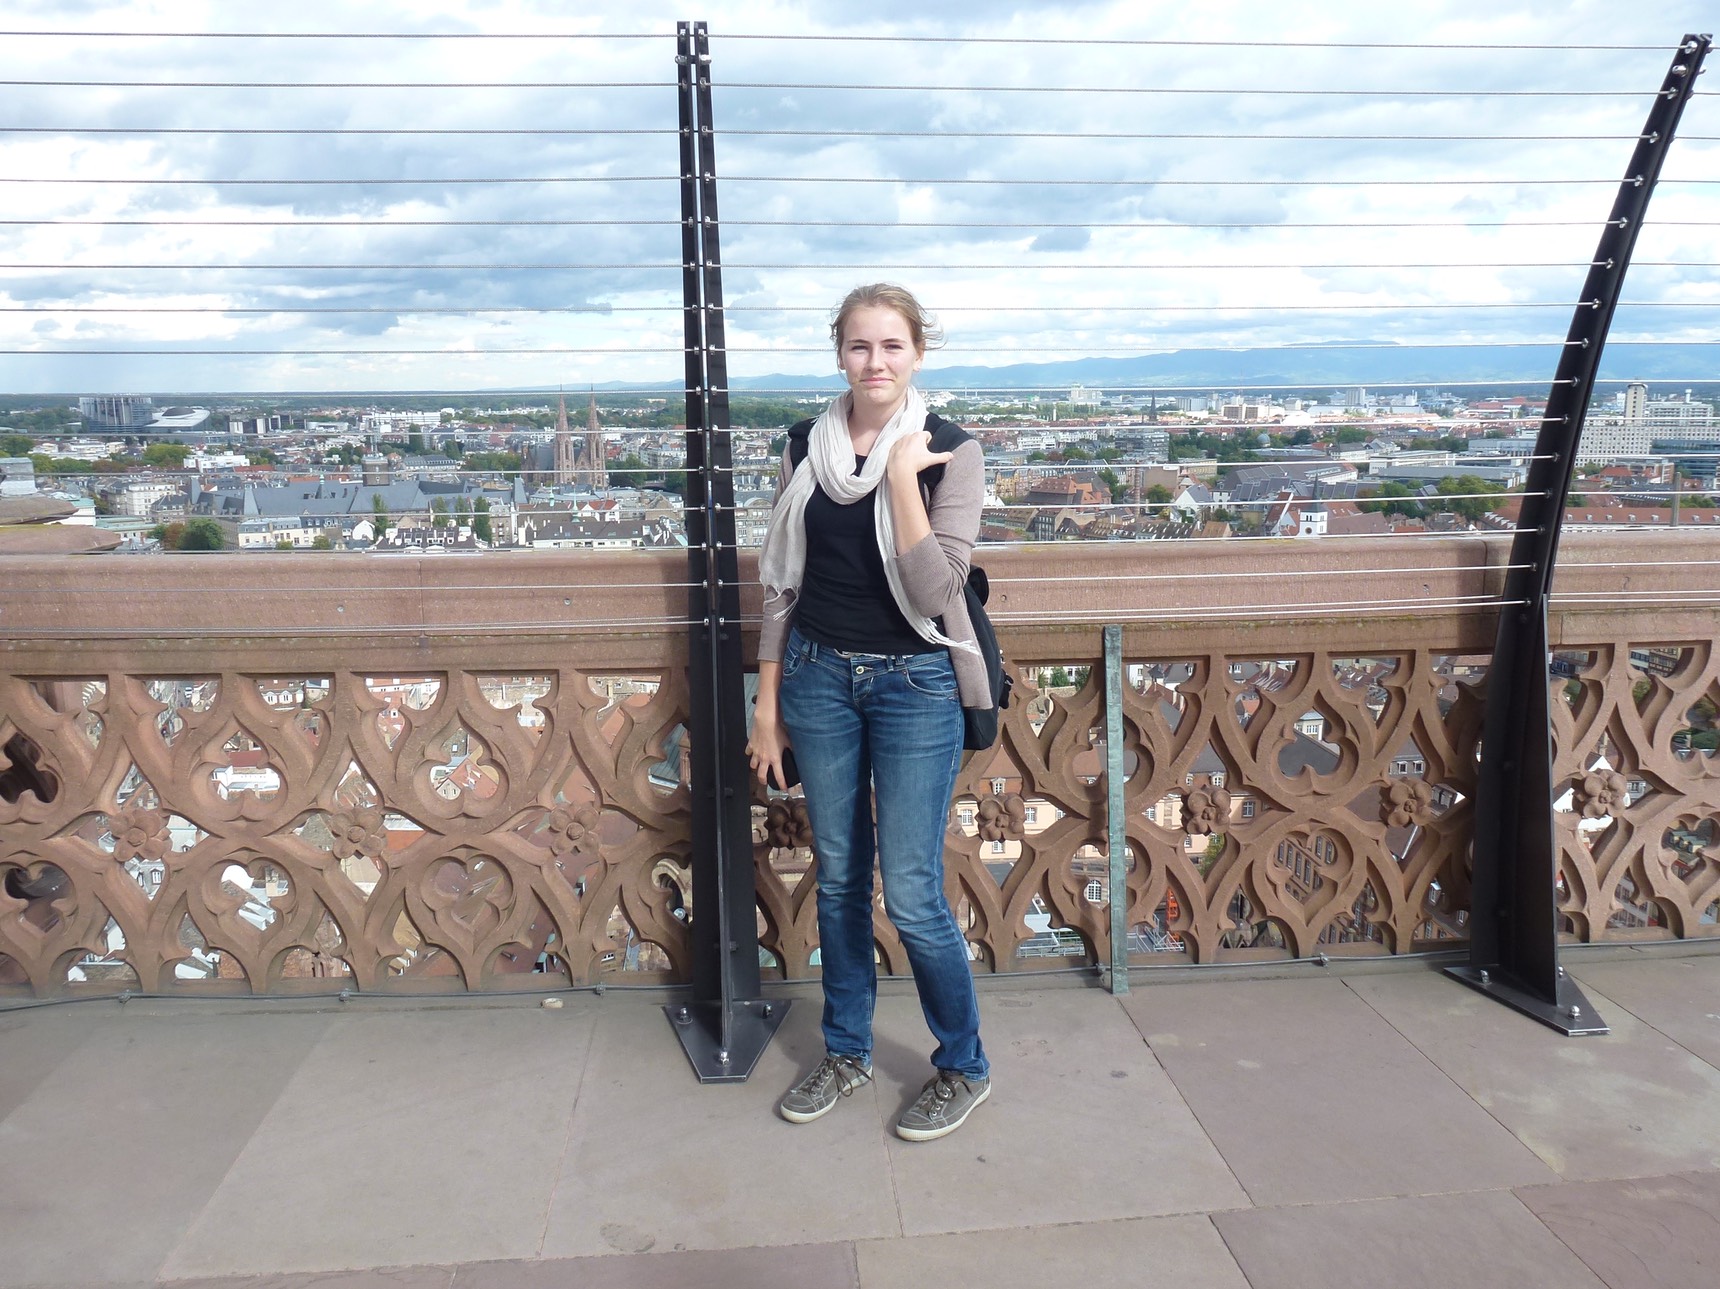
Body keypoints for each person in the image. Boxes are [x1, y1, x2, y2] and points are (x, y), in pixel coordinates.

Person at [750, 283, 991, 1142]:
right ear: (839, 354)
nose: (875, 361)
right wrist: (766, 704)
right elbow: (781, 584)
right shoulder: (802, 446)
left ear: (918, 353)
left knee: (915, 892)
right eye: (860, 345)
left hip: (914, 684)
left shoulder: (952, 452)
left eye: (892, 345)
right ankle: (846, 1050)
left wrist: (897, 476)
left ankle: (963, 1064)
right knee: (842, 878)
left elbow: (935, 590)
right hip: (817, 678)